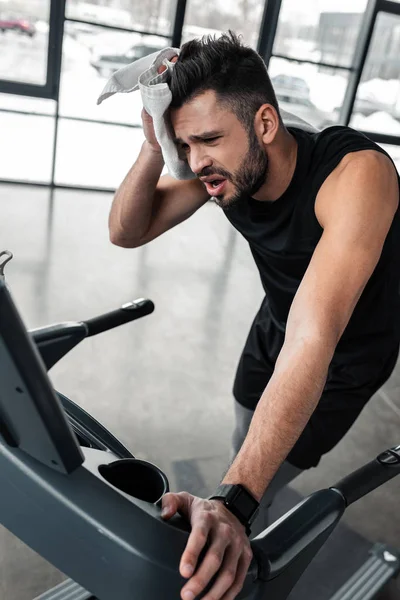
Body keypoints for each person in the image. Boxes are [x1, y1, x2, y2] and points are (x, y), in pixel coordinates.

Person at [108, 31, 400, 600]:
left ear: (265, 123)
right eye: (184, 145)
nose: (196, 164)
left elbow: (314, 339)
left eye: (208, 140)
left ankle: (245, 549)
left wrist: (233, 503)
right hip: (276, 324)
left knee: (262, 481)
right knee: (245, 429)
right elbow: (127, 231)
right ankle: (242, 504)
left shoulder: (355, 176)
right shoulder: (224, 165)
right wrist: (152, 147)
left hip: (342, 355)